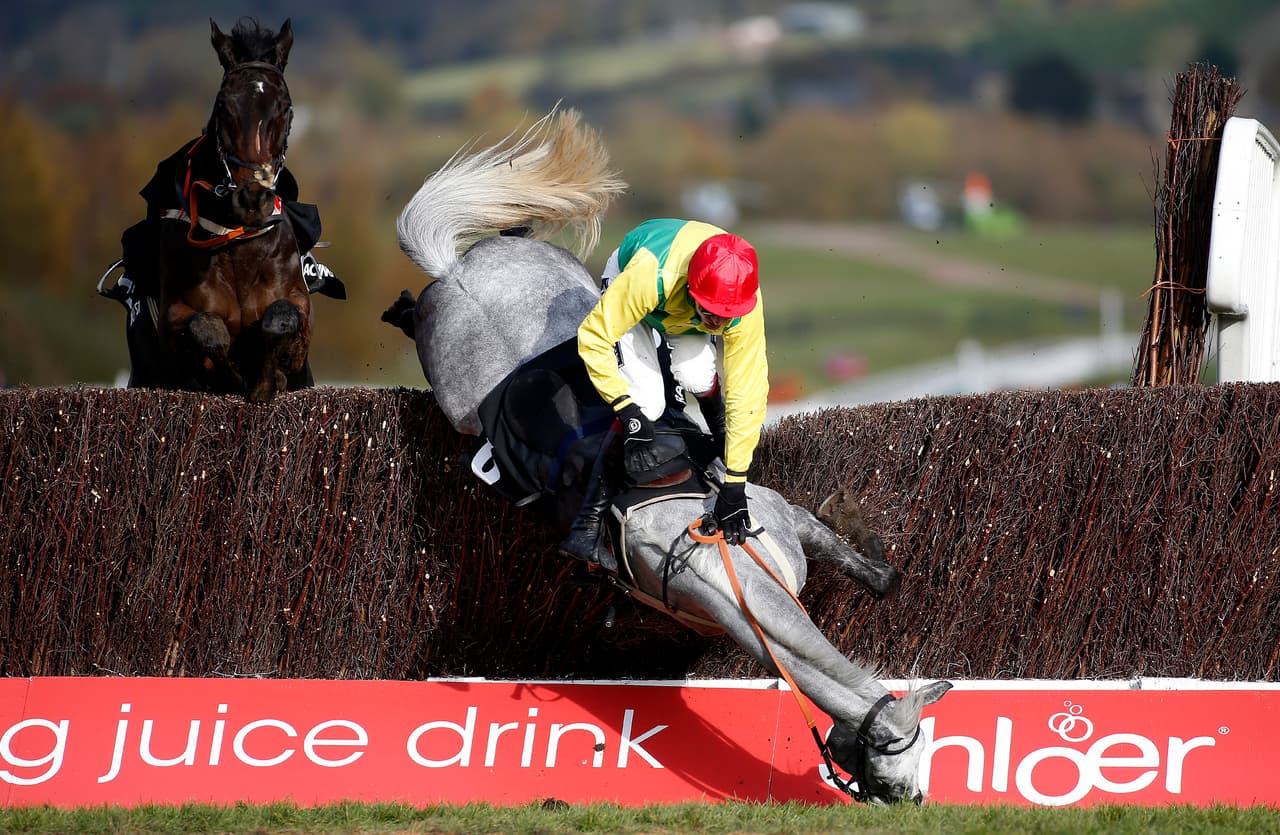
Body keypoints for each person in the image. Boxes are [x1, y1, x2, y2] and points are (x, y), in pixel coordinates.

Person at [560, 218, 768, 564]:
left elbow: (749, 386)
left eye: (725, 317)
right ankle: (586, 526)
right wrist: (626, 408)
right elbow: (594, 337)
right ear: (693, 290)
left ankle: (718, 436)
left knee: (698, 377)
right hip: (643, 285)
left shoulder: (744, 300)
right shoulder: (648, 275)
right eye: (712, 313)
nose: (718, 324)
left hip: (683, 305)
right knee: (648, 402)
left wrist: (736, 479)